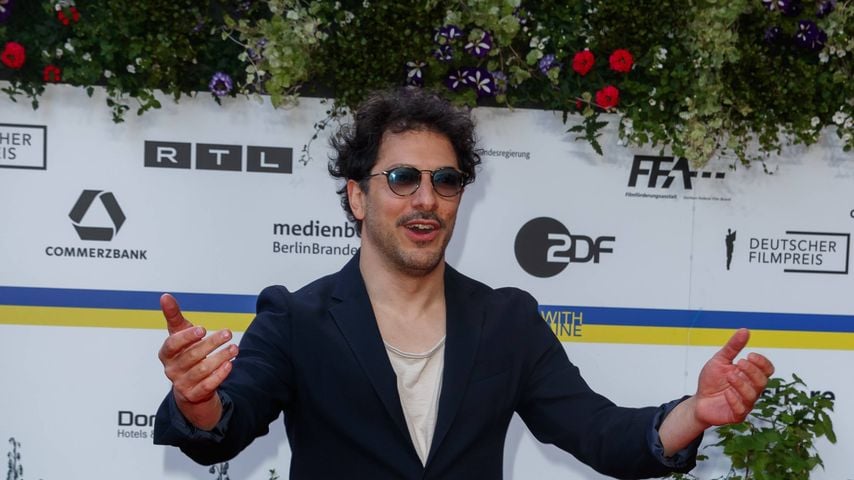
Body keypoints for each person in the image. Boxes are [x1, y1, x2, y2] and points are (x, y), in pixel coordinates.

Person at [153, 87, 774, 479]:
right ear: (357, 197)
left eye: (445, 181)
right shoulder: (296, 317)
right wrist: (196, 397)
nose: (426, 199)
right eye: (402, 178)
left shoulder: (506, 320)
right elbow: (222, 429)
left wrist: (694, 412)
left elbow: (599, 434)